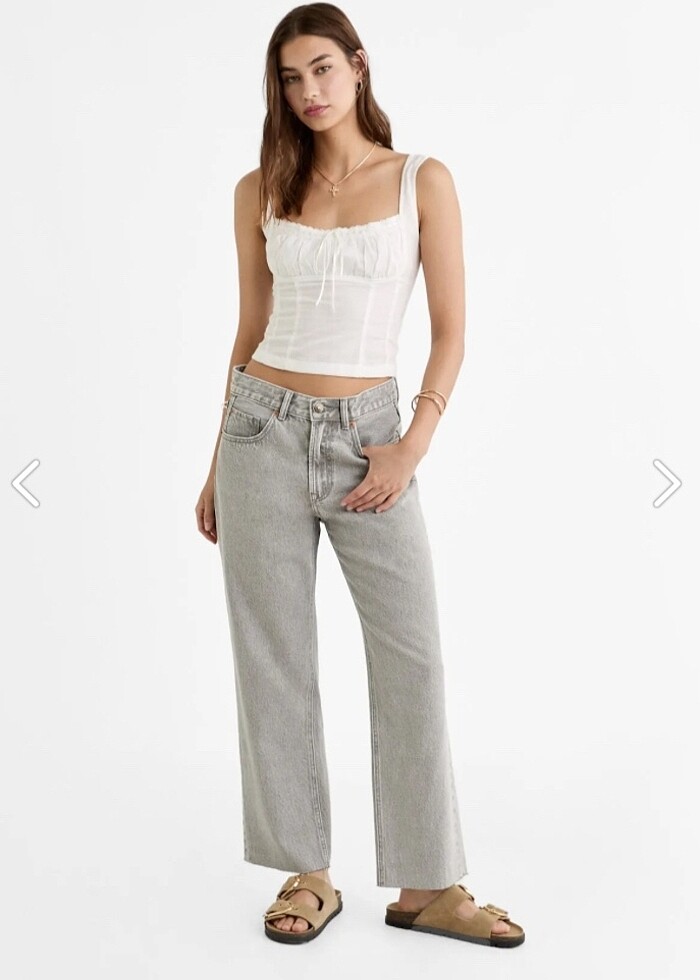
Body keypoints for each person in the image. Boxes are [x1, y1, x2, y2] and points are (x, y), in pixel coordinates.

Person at [195, 2, 525, 949]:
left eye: (322, 69)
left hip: (371, 436)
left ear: (358, 65)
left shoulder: (421, 178)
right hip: (259, 429)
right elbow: (249, 329)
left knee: (411, 653)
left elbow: (452, 331)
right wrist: (216, 459)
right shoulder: (259, 188)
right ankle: (307, 872)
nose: (309, 91)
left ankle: (429, 885)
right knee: (275, 658)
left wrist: (412, 445)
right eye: (290, 78)